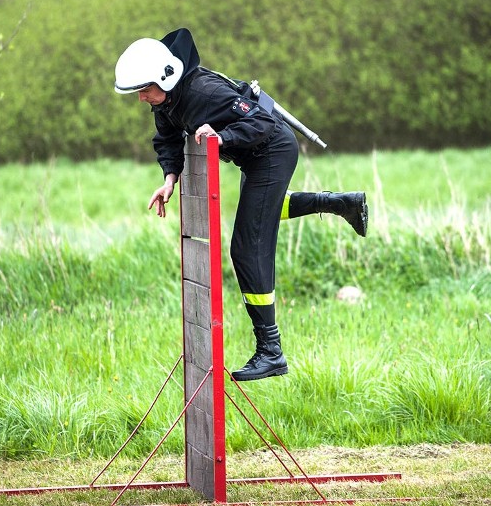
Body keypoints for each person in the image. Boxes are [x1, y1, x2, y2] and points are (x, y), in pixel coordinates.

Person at [114, 28, 368, 382]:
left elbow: (263, 121)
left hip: (273, 150)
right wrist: (169, 179)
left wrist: (223, 138)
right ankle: (342, 203)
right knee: (261, 213)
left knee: (246, 249)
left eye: (144, 90)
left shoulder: (205, 92)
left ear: (165, 78)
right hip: (255, 157)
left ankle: (271, 351)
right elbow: (168, 138)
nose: (141, 98)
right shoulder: (168, 101)